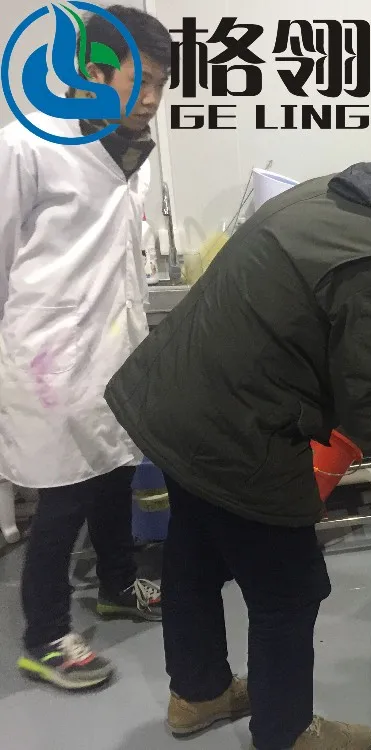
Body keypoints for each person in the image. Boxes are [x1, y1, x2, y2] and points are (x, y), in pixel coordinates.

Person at [104, 163, 371, 750]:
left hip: (175, 397)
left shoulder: (356, 198)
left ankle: (198, 693)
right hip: (236, 423)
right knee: (291, 587)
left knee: (195, 554)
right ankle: (285, 733)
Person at [0, 6, 173, 692]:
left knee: (113, 474)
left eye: (161, 85)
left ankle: (118, 586)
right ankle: (43, 637)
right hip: (49, 360)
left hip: (111, 352)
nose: (152, 99)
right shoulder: (26, 146)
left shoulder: (131, 151)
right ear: (95, 73)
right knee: (62, 500)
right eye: (142, 81)